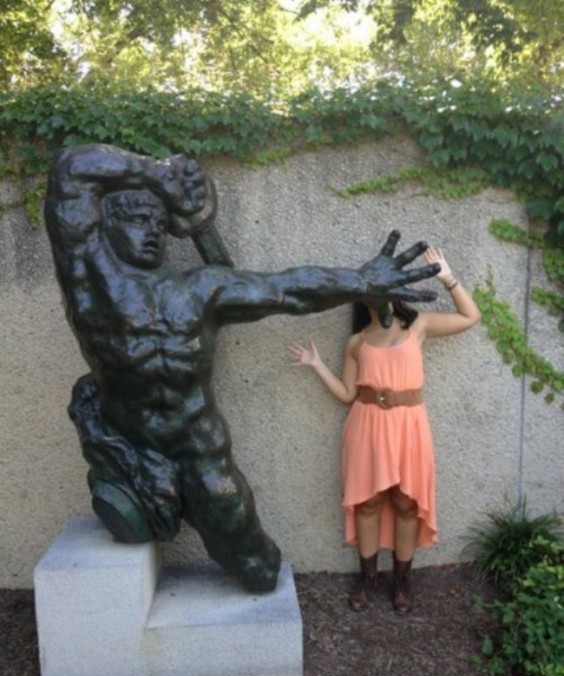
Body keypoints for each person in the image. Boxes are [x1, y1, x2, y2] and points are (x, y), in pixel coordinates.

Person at [44, 143, 440, 594]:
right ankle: (136, 492)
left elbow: (286, 290)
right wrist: (160, 176)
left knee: (260, 572)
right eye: (137, 219)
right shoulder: (90, 281)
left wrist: (361, 281)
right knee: (127, 520)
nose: (152, 231)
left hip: (199, 451)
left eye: (159, 222)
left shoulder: (200, 289)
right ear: (104, 226)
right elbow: (70, 169)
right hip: (127, 444)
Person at [290, 247, 481, 612]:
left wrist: (447, 278)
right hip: (366, 424)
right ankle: (367, 578)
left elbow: (470, 317)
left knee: (407, 504)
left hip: (409, 425)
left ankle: (403, 581)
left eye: (387, 287)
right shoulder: (357, 341)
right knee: (369, 502)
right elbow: (348, 394)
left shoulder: (419, 326)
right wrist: (316, 365)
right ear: (365, 297)